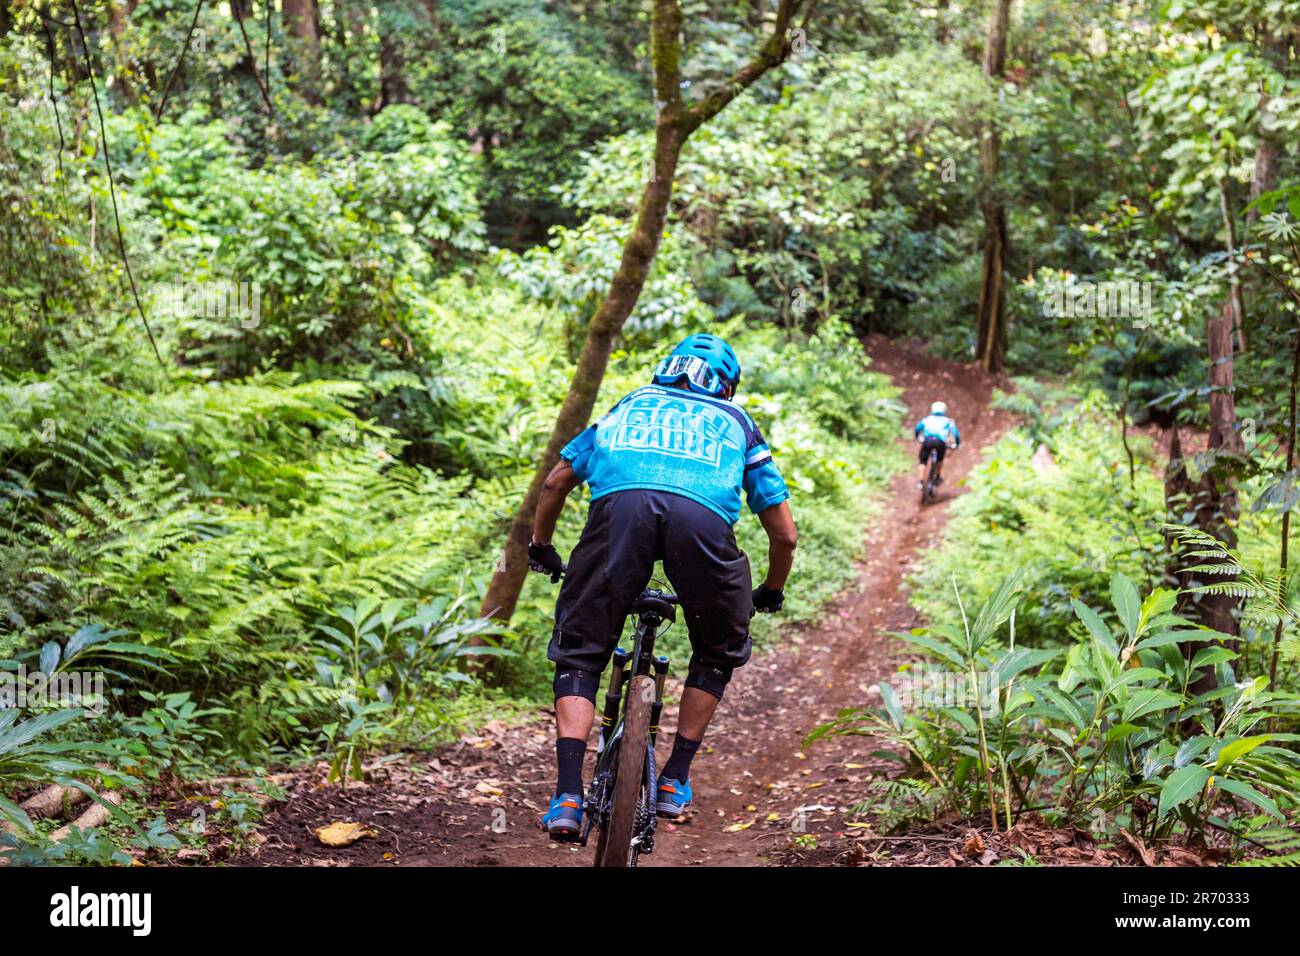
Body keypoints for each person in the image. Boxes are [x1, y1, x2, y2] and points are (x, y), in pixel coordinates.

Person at [526, 332, 798, 840]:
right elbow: (784, 534)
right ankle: (674, 779)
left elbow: (555, 481)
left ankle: (567, 796)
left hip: (619, 517)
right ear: (728, 387)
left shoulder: (631, 404)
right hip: (702, 526)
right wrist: (770, 590)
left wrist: (541, 546)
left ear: (665, 369)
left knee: (581, 653)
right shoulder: (736, 423)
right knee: (717, 650)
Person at [915, 400, 960, 488]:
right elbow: (954, 434)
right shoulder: (948, 421)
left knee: (923, 461)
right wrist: (956, 444)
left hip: (927, 441)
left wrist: (918, 437)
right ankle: (938, 476)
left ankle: (920, 481)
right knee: (940, 459)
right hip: (940, 442)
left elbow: (917, 428)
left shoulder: (927, 419)